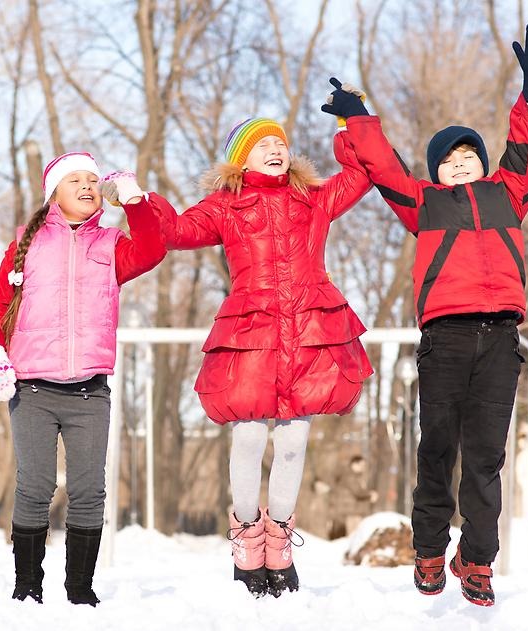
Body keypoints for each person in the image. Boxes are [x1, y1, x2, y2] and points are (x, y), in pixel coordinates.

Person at [324, 23, 528, 607]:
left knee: (486, 457)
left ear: (482, 165)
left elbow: (525, 143)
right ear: (435, 172)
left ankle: (476, 560)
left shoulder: (510, 193)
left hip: (501, 338)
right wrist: (359, 118)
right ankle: (428, 546)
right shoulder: (422, 204)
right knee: (438, 447)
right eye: (448, 160)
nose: (459, 164)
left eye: (467, 157)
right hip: (446, 338)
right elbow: (382, 165)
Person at [147, 104, 375, 597]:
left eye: (280, 142)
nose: (275, 148)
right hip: (253, 332)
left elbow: (362, 173)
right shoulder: (225, 207)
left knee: (293, 441)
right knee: (249, 437)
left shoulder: (312, 198)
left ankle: (280, 544)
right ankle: (247, 540)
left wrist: (351, 124)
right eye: (262, 144)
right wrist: (141, 200)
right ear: (241, 161)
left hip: (309, 330)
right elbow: (175, 232)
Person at [0, 152, 164, 606]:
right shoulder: (28, 243)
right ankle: (27, 587)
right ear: (53, 194)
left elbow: (153, 249)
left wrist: (136, 202)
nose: (86, 185)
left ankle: (80, 589)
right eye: (74, 179)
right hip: (32, 389)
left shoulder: (111, 244)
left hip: (89, 392)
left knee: (88, 489)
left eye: (93, 180)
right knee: (35, 485)